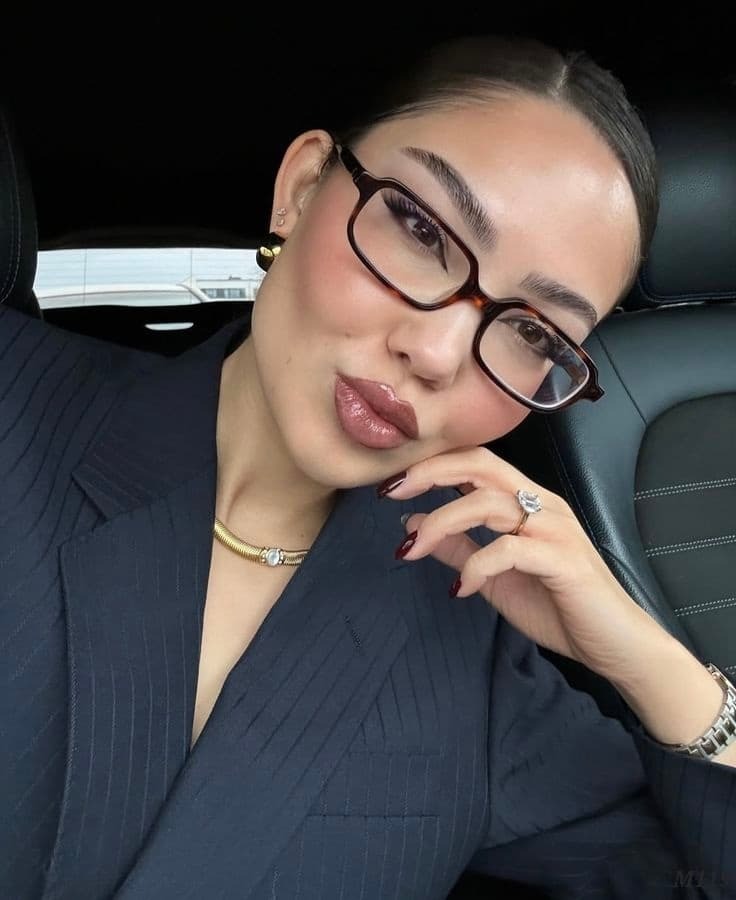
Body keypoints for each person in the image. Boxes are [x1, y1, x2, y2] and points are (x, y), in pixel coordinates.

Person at [2, 33, 735, 900]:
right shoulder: (17, 400)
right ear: (302, 185)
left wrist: (655, 665)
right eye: (421, 230)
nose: (436, 352)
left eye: (535, 333)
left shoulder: (476, 650)